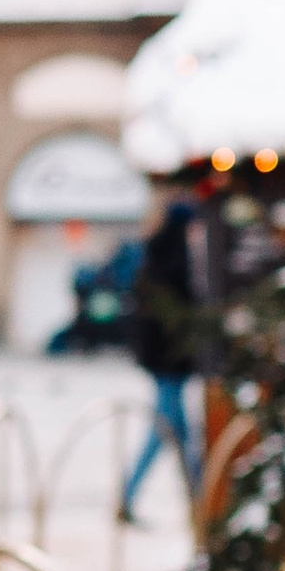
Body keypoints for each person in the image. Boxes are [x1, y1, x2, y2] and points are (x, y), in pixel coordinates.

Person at [120, 181, 211, 520]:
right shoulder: (175, 264)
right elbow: (171, 321)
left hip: (164, 363)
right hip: (169, 363)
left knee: (178, 433)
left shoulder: (155, 256)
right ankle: (195, 501)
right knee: (164, 431)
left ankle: (199, 501)